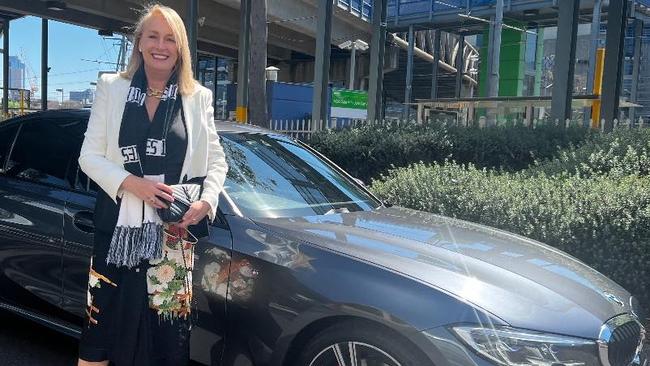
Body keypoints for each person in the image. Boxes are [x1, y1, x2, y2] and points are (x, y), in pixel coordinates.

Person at [76, 4, 228, 366]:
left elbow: (217, 160)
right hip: (116, 234)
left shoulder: (198, 97)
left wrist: (206, 202)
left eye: (170, 38)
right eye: (153, 36)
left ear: (181, 47)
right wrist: (132, 184)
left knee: (165, 339)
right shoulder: (112, 88)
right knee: (102, 331)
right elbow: (89, 156)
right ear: (139, 43)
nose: (162, 45)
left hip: (171, 236)